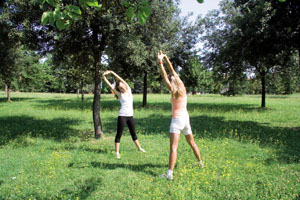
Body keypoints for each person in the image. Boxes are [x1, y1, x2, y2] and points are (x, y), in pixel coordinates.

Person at [157, 51, 204, 180]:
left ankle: (169, 175)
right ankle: (200, 163)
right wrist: (166, 58)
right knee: (192, 143)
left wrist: (160, 61)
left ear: (171, 82)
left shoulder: (172, 90)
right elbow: (171, 71)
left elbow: (164, 75)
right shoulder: (182, 86)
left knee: (173, 148)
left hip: (177, 120)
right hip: (185, 119)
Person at [102, 70, 146, 159]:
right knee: (119, 134)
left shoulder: (129, 90)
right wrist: (103, 77)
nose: (122, 84)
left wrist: (112, 72)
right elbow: (110, 85)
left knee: (133, 133)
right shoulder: (119, 94)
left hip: (130, 115)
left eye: (122, 83)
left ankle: (139, 148)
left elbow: (120, 78)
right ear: (118, 87)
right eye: (120, 84)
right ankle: (117, 152)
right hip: (122, 115)